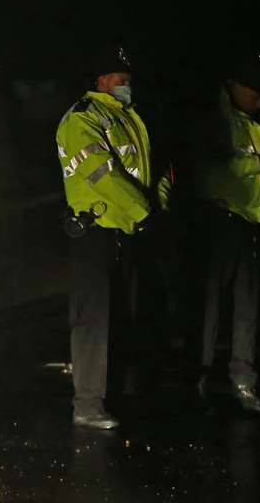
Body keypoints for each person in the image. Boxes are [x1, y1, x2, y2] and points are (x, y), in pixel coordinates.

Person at [55, 44, 173, 430]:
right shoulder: (83, 119)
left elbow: (154, 171)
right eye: (120, 80)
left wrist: (158, 209)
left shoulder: (130, 118)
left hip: (130, 231)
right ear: (101, 80)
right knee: (94, 321)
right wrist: (146, 212)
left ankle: (120, 394)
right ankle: (87, 404)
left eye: (129, 81)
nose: (127, 86)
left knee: (127, 315)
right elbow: (101, 175)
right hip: (97, 232)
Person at [186, 52, 260, 414]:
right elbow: (212, 171)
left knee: (247, 308)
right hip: (219, 221)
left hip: (250, 222)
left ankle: (244, 383)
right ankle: (197, 382)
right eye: (254, 90)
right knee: (210, 309)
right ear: (233, 87)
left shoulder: (256, 121)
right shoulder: (217, 121)